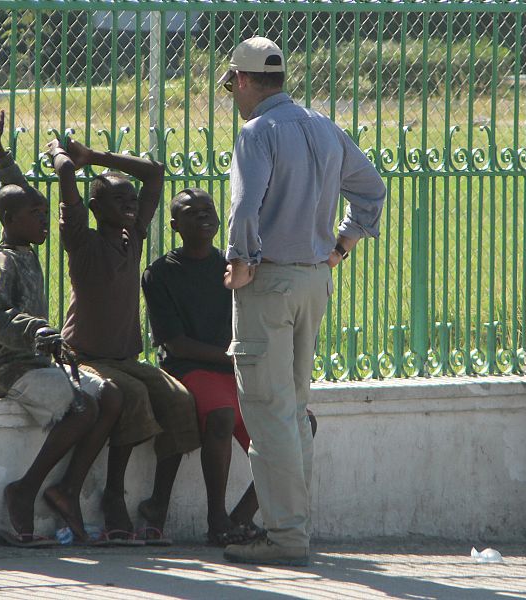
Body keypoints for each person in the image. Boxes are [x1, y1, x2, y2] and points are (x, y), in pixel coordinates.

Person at [218, 36, 386, 566]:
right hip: (316, 278)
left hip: (268, 282)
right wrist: (343, 243)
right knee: (291, 408)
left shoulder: (257, 131)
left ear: (244, 81)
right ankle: (294, 527)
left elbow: (246, 206)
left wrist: (241, 260)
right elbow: (372, 190)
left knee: (267, 412)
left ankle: (286, 536)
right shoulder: (323, 125)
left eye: (233, 87)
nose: (234, 96)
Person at [0, 104, 124, 547]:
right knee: (82, 407)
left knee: (109, 396)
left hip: (36, 364)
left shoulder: (25, 245)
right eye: (36, 214)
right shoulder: (3, 259)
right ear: (10, 222)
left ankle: (67, 490)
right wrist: (39, 333)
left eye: (45, 211)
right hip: (5, 367)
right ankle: (25, 490)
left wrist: (0, 148)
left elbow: (14, 189)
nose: (44, 218)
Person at [43, 136, 200, 544]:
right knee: (132, 397)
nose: (129, 205)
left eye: (132, 200)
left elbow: (154, 174)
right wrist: (62, 155)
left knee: (181, 401)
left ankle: (156, 506)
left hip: (126, 357)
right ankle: (114, 496)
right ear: (95, 210)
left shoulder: (134, 236)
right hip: (87, 357)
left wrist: (95, 156)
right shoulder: (82, 240)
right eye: (118, 200)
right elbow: (63, 173)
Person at [141, 188, 319, 546]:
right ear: (175, 225)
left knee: (302, 422)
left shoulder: (232, 269)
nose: (203, 216)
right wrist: (232, 357)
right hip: (190, 369)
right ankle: (216, 519)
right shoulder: (160, 273)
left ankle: (241, 516)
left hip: (236, 369)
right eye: (192, 212)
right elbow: (175, 344)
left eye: (208, 209)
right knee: (221, 415)